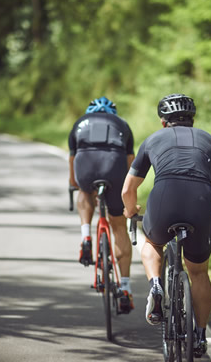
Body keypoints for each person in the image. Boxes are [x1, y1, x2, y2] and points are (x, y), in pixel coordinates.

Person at [121, 93, 211, 356]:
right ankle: (200, 335)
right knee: (199, 272)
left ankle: (156, 285)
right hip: (201, 201)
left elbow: (128, 189)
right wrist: (200, 214)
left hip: (164, 199)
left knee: (153, 242)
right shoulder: (209, 140)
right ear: (192, 119)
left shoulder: (152, 140)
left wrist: (130, 209)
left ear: (163, 121)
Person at [68, 96, 136, 313]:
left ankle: (86, 236)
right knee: (118, 226)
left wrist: (74, 184)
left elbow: (73, 161)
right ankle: (125, 288)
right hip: (115, 166)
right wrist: (125, 192)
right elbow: (130, 165)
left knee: (84, 192)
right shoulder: (122, 125)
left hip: (85, 164)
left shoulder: (79, 123)